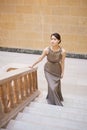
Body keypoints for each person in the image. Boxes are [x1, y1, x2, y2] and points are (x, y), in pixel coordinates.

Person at [30, 33, 66, 106]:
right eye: (51, 39)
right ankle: (53, 101)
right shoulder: (47, 49)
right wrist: (32, 65)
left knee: (55, 86)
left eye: (54, 39)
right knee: (52, 86)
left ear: (59, 40)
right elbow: (40, 58)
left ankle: (54, 96)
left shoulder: (63, 51)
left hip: (57, 70)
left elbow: (62, 62)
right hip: (48, 70)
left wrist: (62, 72)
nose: (52, 41)